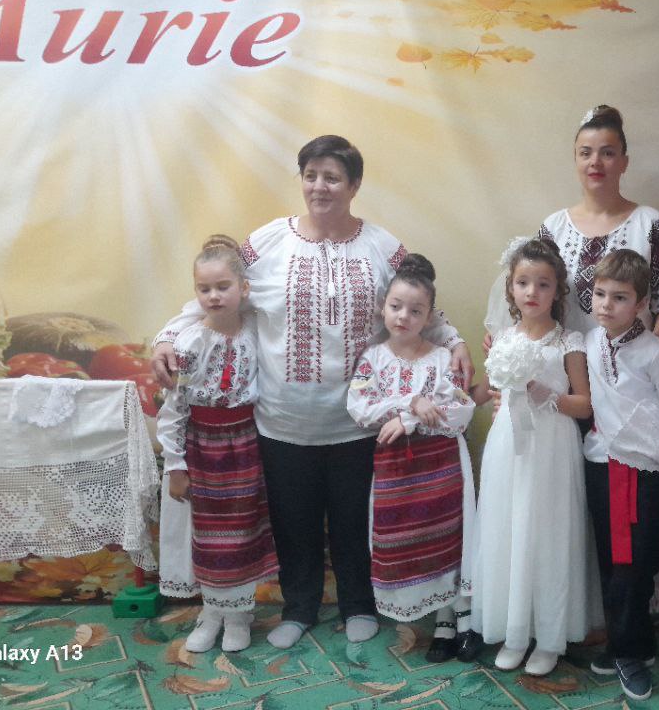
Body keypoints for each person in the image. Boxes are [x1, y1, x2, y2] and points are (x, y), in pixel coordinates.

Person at [151, 135, 474, 650]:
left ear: (354, 185)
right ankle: (298, 608)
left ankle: (357, 605)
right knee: (293, 523)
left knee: (353, 521)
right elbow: (216, 294)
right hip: (281, 420)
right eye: (311, 176)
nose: (320, 186)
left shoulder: (382, 246)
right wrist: (168, 336)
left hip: (357, 422)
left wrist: (454, 342)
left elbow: (417, 303)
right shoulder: (266, 243)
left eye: (332, 177)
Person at [469, 237, 599, 677]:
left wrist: (549, 396)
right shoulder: (502, 340)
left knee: (547, 534)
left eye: (543, 284)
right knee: (509, 530)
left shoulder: (570, 341)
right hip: (509, 445)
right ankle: (514, 631)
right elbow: (490, 391)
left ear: (557, 291)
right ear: (511, 288)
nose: (532, 292)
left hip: (553, 447)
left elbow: (585, 405)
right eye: (523, 282)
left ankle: (549, 636)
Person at [345, 253, 482, 664]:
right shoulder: (372, 359)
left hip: (442, 464)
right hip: (397, 470)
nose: (404, 316)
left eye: (416, 310)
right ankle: (436, 615)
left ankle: (453, 620)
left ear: (429, 316)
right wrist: (410, 401)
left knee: (449, 539)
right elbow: (359, 406)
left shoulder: (442, 358)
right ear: (383, 307)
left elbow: (460, 410)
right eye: (396, 306)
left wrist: (409, 419)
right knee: (408, 542)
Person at [156, 235, 279, 654]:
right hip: (202, 448)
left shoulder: (257, 331)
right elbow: (175, 407)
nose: (213, 296)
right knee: (208, 535)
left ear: (243, 288)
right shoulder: (189, 343)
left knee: (242, 531)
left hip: (245, 445)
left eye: (223, 286)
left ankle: (240, 616)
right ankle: (211, 613)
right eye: (204, 288)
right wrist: (176, 465)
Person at [484, 105, 659, 341]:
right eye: (585, 153)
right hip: (560, 360)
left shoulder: (651, 224)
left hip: (629, 362)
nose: (595, 162)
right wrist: (508, 338)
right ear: (576, 160)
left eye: (607, 153)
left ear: (624, 162)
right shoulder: (554, 228)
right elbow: (531, 291)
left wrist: (647, 353)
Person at [580, 249, 659, 700]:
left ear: (642, 303)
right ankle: (632, 643)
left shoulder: (654, 352)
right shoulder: (587, 342)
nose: (606, 304)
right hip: (600, 463)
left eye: (620, 297)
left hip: (642, 469)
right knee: (610, 559)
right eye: (600, 294)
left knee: (635, 562)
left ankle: (628, 652)